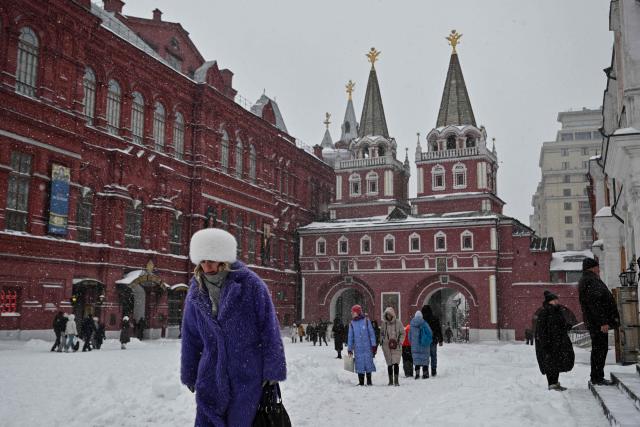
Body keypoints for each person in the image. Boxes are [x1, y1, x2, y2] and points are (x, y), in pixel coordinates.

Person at [181, 228, 286, 426]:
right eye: (202, 261)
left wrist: (273, 370)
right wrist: (190, 372)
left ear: (224, 259)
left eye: (211, 260)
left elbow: (269, 330)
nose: (206, 266)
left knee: (242, 421)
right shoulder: (196, 291)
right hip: (210, 376)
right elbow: (190, 337)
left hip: (246, 375)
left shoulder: (251, 285)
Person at [578, 257, 620, 386]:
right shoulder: (590, 280)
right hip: (598, 323)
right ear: (592, 268)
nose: (599, 269)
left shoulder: (588, 279)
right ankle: (597, 377)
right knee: (600, 349)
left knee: (599, 349)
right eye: (597, 266)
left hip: (595, 322)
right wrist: (603, 322)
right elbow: (595, 303)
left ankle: (597, 376)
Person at [535, 291, 575, 391]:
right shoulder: (544, 312)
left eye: (557, 299)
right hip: (549, 343)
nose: (557, 301)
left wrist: (567, 326)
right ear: (550, 301)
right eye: (555, 299)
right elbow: (541, 330)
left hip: (558, 342)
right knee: (550, 364)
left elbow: (559, 326)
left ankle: (555, 383)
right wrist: (545, 343)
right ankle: (551, 384)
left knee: (556, 363)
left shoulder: (558, 311)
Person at [347, 304, 377, 386]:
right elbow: (350, 337)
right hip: (358, 348)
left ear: (358, 312)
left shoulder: (366, 321)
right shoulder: (352, 323)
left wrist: (373, 345)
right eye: (352, 312)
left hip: (367, 348)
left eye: (354, 312)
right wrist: (350, 349)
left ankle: (369, 381)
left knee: (368, 363)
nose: (352, 313)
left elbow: (371, 334)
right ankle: (361, 382)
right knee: (359, 364)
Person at [380, 307, 405, 386]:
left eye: (389, 315)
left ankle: (396, 380)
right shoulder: (384, 324)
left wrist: (400, 342)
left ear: (392, 314)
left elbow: (403, 333)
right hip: (386, 346)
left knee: (396, 363)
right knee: (389, 364)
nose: (388, 316)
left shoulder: (398, 323)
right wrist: (382, 340)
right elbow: (381, 333)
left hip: (396, 346)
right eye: (387, 315)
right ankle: (390, 380)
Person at [421, 305, 443, 377]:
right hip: (433, 340)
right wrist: (440, 340)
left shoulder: (422, 320)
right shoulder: (435, 318)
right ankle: (433, 370)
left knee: (425, 355)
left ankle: (426, 370)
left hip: (425, 341)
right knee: (433, 355)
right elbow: (438, 329)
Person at [409, 311, 432, 379]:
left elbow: (409, 337)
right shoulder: (425, 323)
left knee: (417, 360)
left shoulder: (412, 325)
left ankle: (417, 374)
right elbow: (430, 333)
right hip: (424, 345)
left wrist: (412, 343)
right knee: (424, 360)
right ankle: (425, 374)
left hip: (415, 346)